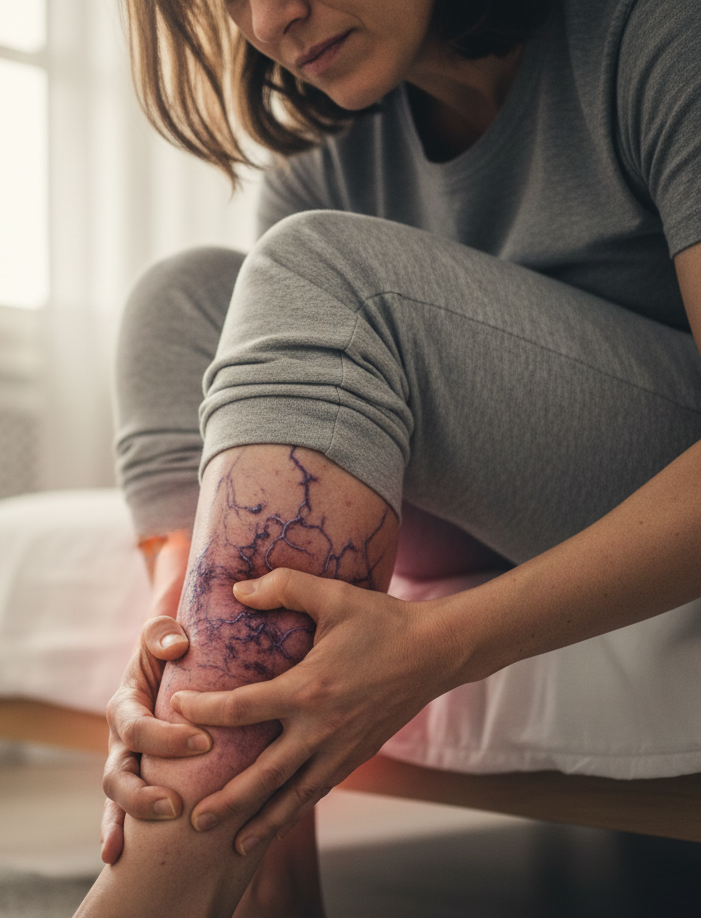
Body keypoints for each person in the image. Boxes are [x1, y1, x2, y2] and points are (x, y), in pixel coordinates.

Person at [74, 0, 701, 915]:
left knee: (316, 266)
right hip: (452, 501)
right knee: (179, 299)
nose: (272, 18)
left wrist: (443, 645)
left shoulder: (657, 32)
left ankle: (150, 900)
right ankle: (255, 879)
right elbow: (277, 427)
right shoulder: (321, 156)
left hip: (648, 476)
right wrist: (172, 657)